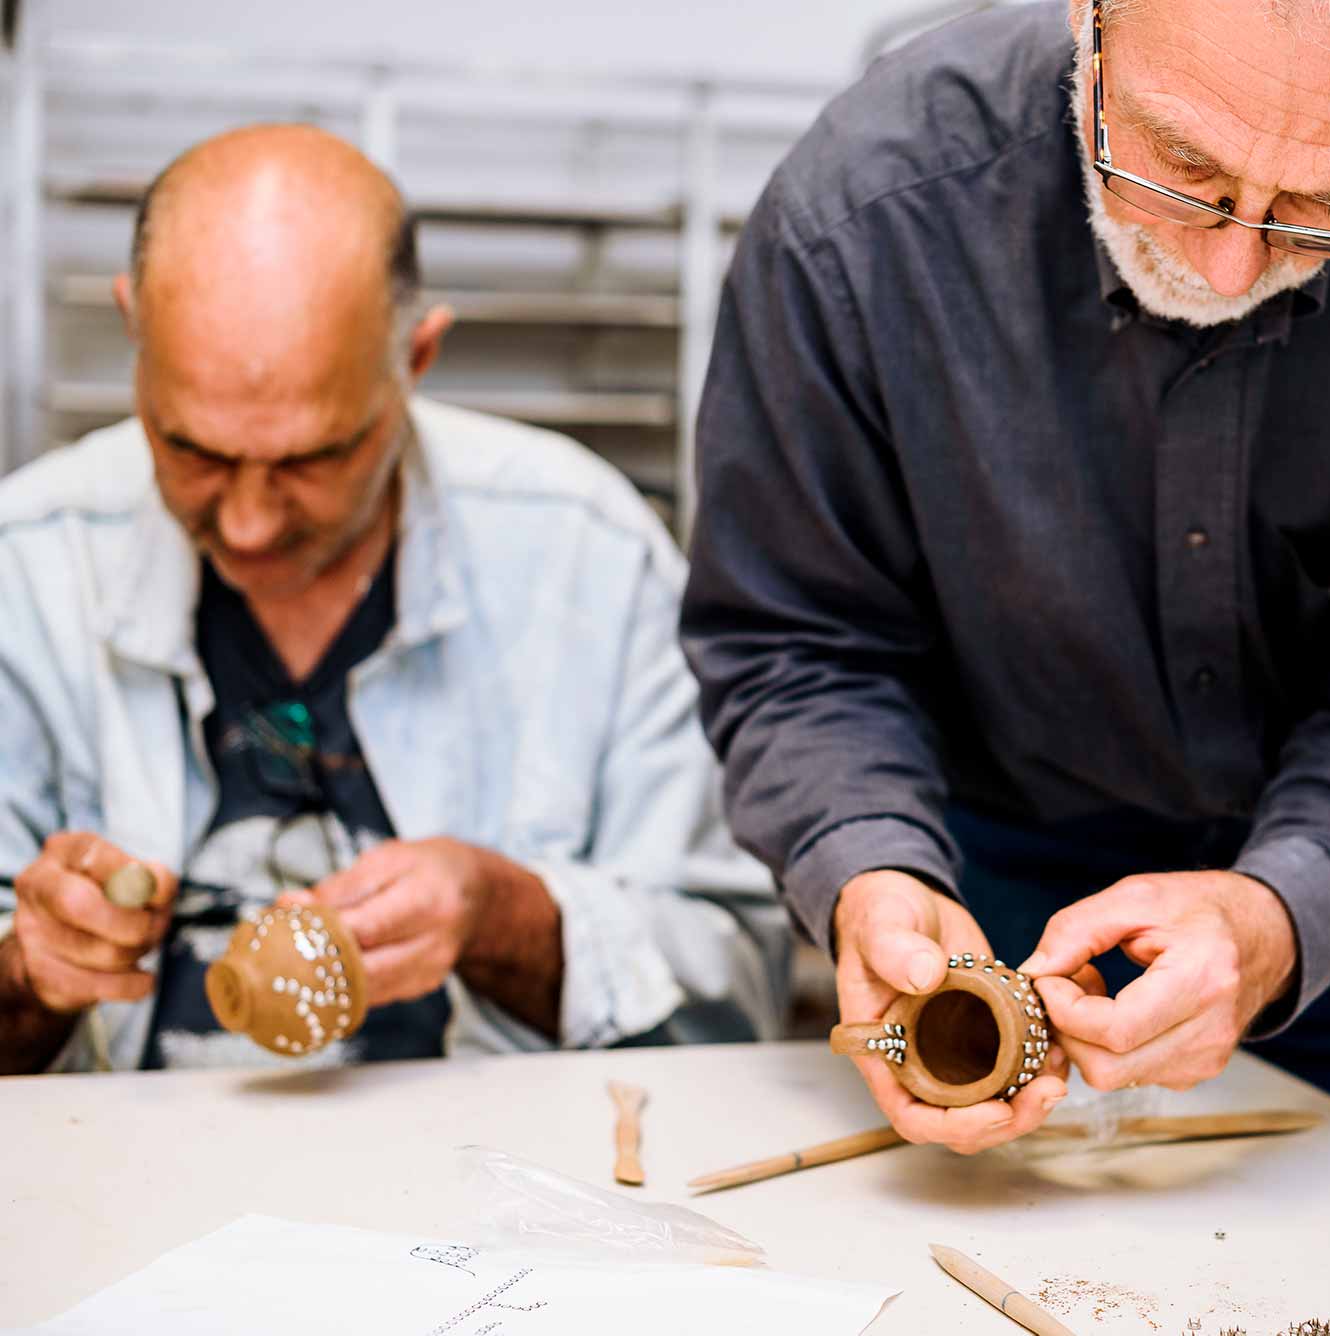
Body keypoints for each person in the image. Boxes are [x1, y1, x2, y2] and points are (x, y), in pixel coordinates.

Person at [683, 0, 1330, 1180]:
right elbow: (798, 640)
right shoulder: (863, 217)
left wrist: (1275, 915)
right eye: (1181, 166)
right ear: (1087, 15)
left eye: (1326, 209)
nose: (1228, 264)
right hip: (994, 890)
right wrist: (868, 867)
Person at [0, 124, 780, 1075]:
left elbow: (739, 994)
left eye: (313, 459)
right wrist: (29, 973)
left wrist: (510, 920)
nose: (247, 524)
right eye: (194, 451)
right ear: (133, 327)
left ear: (416, 358)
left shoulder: (585, 556)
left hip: (496, 1187)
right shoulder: (27, 569)